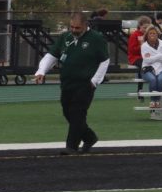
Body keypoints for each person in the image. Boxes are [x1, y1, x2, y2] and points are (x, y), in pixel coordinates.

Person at [33, 12, 110, 155]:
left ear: (86, 25)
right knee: (67, 112)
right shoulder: (65, 37)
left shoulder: (96, 39)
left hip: (86, 83)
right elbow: (51, 56)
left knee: (77, 113)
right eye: (72, 27)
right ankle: (90, 137)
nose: (74, 30)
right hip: (67, 82)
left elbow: (105, 60)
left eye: (77, 28)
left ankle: (71, 146)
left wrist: (95, 80)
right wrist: (41, 71)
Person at [140, 25, 162, 110]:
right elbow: (147, 60)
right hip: (147, 69)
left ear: (157, 34)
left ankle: (157, 100)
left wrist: (154, 57)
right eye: (150, 33)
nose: (152, 35)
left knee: (160, 80)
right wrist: (159, 56)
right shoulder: (144, 46)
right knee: (153, 79)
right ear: (147, 35)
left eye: (154, 33)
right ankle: (152, 101)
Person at [127, 15, 152, 100]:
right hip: (135, 57)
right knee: (144, 64)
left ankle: (154, 89)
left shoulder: (149, 35)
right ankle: (140, 89)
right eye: (144, 27)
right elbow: (132, 50)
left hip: (147, 57)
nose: (146, 29)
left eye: (148, 27)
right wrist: (141, 46)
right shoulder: (135, 35)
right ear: (140, 26)